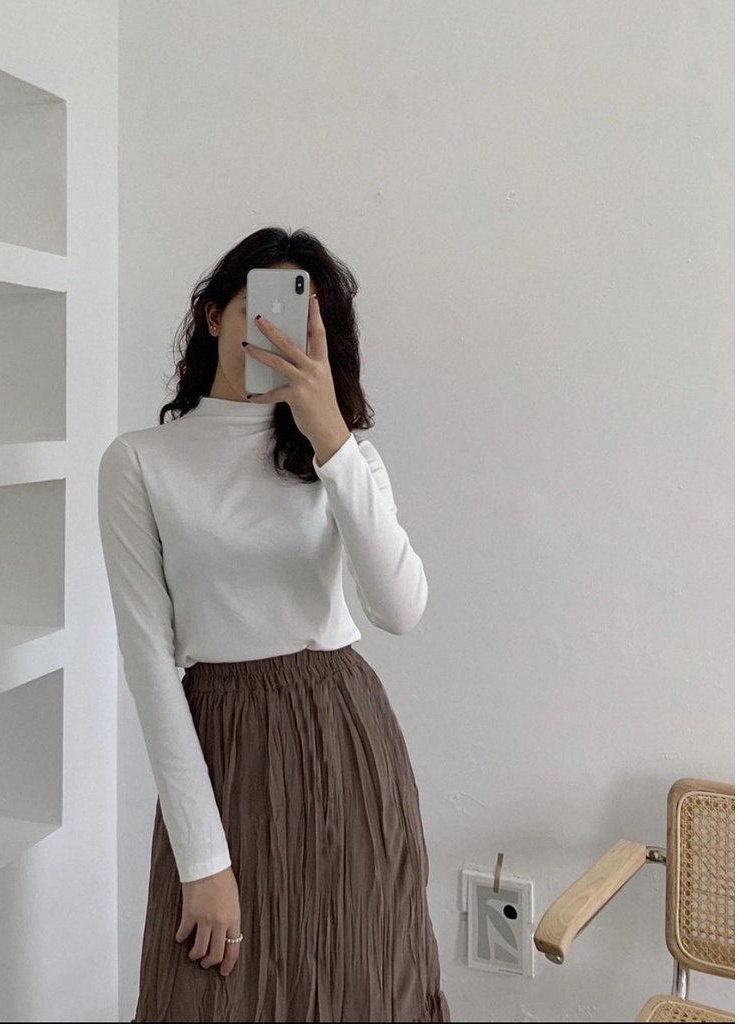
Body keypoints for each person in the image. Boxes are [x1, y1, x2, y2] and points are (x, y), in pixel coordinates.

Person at [98, 227, 449, 1022]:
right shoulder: (140, 462)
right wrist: (201, 860)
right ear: (213, 316)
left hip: (344, 735)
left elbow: (400, 609)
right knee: (211, 991)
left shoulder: (345, 459)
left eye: (299, 319)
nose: (275, 333)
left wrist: (331, 437)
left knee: (359, 983)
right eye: (256, 310)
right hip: (223, 745)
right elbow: (149, 664)